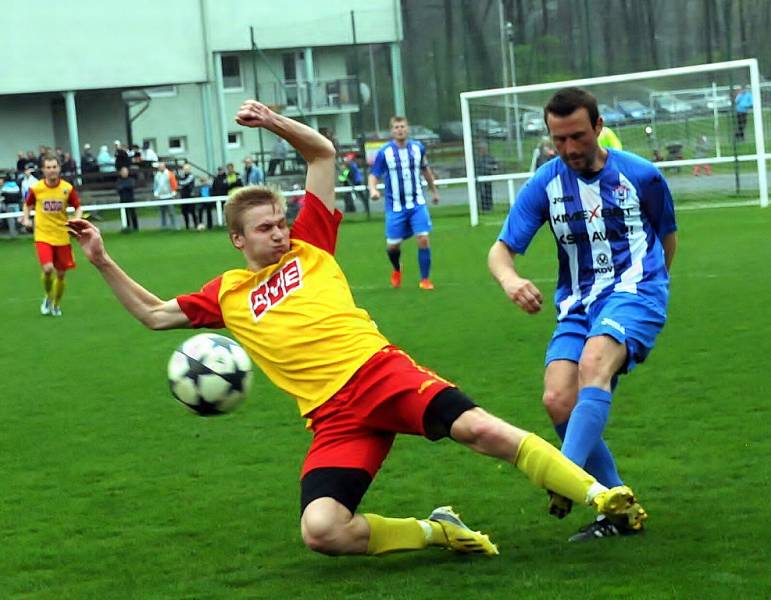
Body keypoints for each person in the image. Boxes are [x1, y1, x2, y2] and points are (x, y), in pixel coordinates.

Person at [68, 99, 646, 559]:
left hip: (377, 372)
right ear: (238, 240)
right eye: (264, 228)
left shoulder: (311, 243)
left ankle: (603, 497)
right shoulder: (226, 292)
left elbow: (321, 156)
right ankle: (437, 532)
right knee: (322, 531)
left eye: (279, 222)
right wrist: (100, 259)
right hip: (333, 417)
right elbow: (152, 314)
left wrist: (274, 123)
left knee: (477, 429)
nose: (278, 232)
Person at [488, 87, 677, 542]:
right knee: (557, 399)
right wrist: (511, 280)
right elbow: (501, 250)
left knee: (594, 365)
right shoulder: (545, 183)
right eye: (559, 140)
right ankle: (618, 507)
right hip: (578, 304)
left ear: (598, 127)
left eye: (577, 136)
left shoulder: (642, 176)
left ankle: (565, 480)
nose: (570, 149)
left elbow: (667, 238)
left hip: (636, 291)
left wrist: (647, 292)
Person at [368, 116, 440, 290]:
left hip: (417, 203)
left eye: (402, 126)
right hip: (395, 206)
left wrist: (434, 191)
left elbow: (425, 170)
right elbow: (374, 174)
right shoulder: (385, 152)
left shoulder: (418, 148)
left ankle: (425, 279)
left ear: (407, 129)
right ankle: (396, 269)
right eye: (396, 127)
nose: (400, 129)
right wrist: (373, 190)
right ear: (392, 131)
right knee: (393, 246)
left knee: (423, 239)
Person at [21, 154, 83, 316]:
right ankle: (48, 296)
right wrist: (26, 219)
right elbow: (27, 205)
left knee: (61, 274)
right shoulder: (37, 189)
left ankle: (56, 304)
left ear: (59, 168)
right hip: (43, 234)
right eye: (48, 167)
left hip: (62, 235)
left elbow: (78, 207)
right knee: (48, 269)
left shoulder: (67, 188)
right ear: (43, 170)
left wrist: (76, 220)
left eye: (54, 167)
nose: (51, 170)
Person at [152, 162, 177, 230]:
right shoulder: (157, 175)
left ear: (164, 167)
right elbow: (155, 185)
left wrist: (174, 193)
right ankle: (164, 227)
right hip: (160, 196)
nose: (160, 168)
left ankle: (174, 226)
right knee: (162, 213)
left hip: (169, 195)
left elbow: (174, 183)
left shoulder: (169, 174)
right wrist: (156, 193)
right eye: (159, 167)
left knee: (171, 212)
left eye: (162, 167)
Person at [116, 166, 138, 232]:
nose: (124, 173)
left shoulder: (131, 179)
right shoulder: (119, 180)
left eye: (125, 172)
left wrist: (123, 187)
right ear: (120, 173)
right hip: (123, 200)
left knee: (133, 214)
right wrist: (125, 187)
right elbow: (118, 188)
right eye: (123, 172)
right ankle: (127, 228)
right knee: (125, 215)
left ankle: (136, 228)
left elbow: (131, 186)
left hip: (131, 199)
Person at [178, 163, 198, 230]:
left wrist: (180, 182)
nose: (186, 170)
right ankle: (187, 226)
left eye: (187, 169)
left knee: (192, 211)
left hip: (191, 196)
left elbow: (184, 182)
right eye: (184, 169)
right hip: (183, 196)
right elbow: (180, 182)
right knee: (184, 212)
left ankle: (196, 225)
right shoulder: (182, 176)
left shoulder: (191, 176)